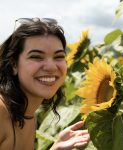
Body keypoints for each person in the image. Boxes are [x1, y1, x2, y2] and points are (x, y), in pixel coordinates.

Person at [0, 18, 90, 150]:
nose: (51, 67)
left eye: (59, 56)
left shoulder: (29, 113)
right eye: (36, 56)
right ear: (14, 64)